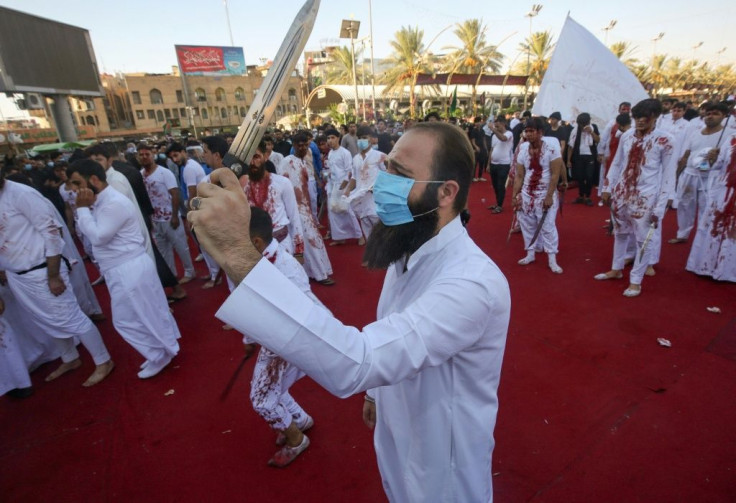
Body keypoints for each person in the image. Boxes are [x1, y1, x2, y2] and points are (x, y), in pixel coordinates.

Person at [188, 121, 511, 502]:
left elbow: (359, 359)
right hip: (399, 430)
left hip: (445, 463)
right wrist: (377, 395)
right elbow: (390, 327)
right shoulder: (412, 243)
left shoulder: (472, 284)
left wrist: (239, 256)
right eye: (386, 167)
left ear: (446, 192)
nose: (382, 181)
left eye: (400, 174)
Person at [0, 172, 114, 387]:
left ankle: (103, 361)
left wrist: (53, 275)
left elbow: (53, 232)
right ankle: (70, 359)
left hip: (43, 271)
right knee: (46, 321)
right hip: (18, 276)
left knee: (71, 318)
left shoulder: (22, 194)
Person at [69, 160, 181, 378]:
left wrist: (82, 210)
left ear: (93, 180)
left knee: (129, 319)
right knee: (144, 314)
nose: (73, 189)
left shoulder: (113, 202)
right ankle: (160, 351)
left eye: (76, 182)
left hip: (127, 269)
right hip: (122, 268)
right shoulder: (101, 201)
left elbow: (98, 237)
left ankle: (159, 355)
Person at [245, 207, 324, 466]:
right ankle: (299, 420)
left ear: (256, 242)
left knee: (261, 399)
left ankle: (295, 439)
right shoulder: (265, 260)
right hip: (275, 335)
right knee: (273, 389)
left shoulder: (281, 268)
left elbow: (301, 311)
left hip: (288, 337)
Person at [595, 99, 677, 297]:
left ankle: (636, 281)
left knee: (644, 240)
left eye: (645, 117)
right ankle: (616, 269)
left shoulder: (665, 140)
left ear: (655, 117)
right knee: (620, 233)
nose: (640, 121)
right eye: (637, 117)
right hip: (621, 194)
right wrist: (607, 187)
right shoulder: (627, 136)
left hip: (646, 196)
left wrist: (661, 205)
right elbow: (616, 164)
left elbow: (669, 174)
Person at [278, 133, 335, 285]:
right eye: (299, 145)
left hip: (304, 207)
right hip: (294, 208)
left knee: (310, 239)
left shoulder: (303, 161)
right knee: (310, 239)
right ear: (294, 146)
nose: (302, 148)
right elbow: (282, 186)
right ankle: (320, 275)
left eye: (305, 145)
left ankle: (313, 272)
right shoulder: (287, 161)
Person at [669, 102, 728, 244]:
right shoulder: (696, 133)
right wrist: (677, 175)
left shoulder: (729, 135)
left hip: (710, 176)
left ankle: (702, 238)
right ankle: (682, 234)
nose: (710, 116)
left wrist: (718, 154)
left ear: (724, 116)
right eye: (708, 113)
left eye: (715, 114)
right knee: (684, 204)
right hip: (689, 173)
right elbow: (687, 154)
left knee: (706, 207)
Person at [139, 145, 197, 287]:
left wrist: (175, 216)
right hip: (155, 220)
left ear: (153, 155)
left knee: (181, 246)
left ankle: (190, 271)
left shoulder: (164, 173)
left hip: (170, 217)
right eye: (141, 155)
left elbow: (175, 194)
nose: (144, 157)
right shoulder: (140, 174)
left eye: (147, 154)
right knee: (164, 250)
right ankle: (172, 275)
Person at [512, 117, 565, 274]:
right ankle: (530, 253)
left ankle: (552, 259)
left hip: (545, 193)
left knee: (548, 226)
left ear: (540, 132)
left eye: (531, 131)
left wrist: (549, 196)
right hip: (527, 193)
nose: (528, 134)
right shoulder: (523, 149)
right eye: (526, 131)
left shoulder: (551, 149)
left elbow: (555, 174)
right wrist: (515, 195)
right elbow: (519, 175)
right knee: (527, 223)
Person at [685, 132, 736, 281]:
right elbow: (715, 166)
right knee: (715, 227)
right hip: (723, 192)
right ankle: (707, 266)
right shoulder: (731, 140)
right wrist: (710, 159)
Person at [240, 141, 304, 257]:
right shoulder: (242, 185)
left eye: (256, 157)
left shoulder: (282, 182)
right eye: (247, 158)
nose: (252, 162)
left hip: (282, 244)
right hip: (255, 248)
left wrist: (299, 251)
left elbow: (294, 217)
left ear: (265, 156)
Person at [346, 126, 385, 242]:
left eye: (364, 138)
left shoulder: (380, 156)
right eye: (359, 138)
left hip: (375, 200)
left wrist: (377, 187)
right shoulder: (356, 158)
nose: (361, 141)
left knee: (381, 232)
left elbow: (388, 174)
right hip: (360, 201)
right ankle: (373, 257)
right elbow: (354, 177)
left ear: (371, 139)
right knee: (368, 233)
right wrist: (348, 189)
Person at [324, 128, 362, 246]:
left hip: (343, 185)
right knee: (333, 212)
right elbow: (331, 170)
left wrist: (344, 187)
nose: (330, 140)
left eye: (333, 138)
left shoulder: (345, 152)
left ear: (338, 138)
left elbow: (349, 171)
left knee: (347, 210)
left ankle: (359, 235)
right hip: (333, 185)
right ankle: (339, 237)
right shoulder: (330, 153)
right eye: (328, 138)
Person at [567, 113, 600, 206]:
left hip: (590, 156)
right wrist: (568, 160)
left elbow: (598, 140)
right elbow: (571, 146)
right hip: (578, 156)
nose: (582, 126)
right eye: (580, 124)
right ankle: (581, 196)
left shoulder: (593, 127)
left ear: (588, 122)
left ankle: (588, 196)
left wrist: (591, 132)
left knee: (589, 177)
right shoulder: (575, 130)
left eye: (583, 124)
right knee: (580, 177)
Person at [487, 115, 514, 213]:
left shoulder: (509, 133)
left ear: (503, 124)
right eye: (495, 126)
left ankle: (499, 205)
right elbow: (492, 149)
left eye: (498, 126)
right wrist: (488, 164)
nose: (496, 128)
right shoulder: (494, 136)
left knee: (500, 185)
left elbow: (503, 138)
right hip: (494, 163)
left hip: (504, 164)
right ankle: (498, 203)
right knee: (495, 185)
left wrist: (493, 129)